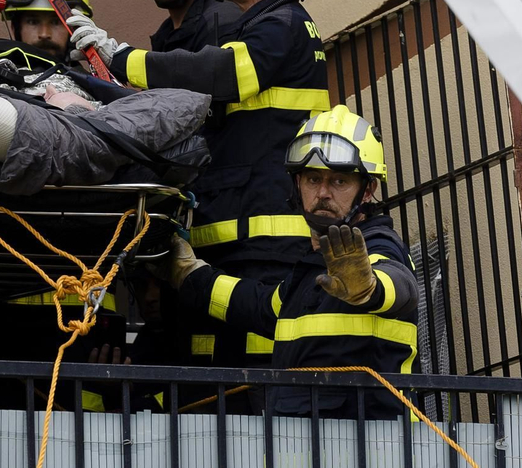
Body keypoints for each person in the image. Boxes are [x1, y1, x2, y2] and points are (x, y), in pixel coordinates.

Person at [69, 0, 330, 369]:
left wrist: (122, 58)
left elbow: (220, 74)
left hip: (267, 247)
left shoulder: (285, 24)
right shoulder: (263, 23)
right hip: (235, 242)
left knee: (252, 379)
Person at [166, 107, 418, 419]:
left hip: (372, 443)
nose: (323, 193)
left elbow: (400, 284)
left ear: (368, 190)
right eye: (313, 178)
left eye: (339, 181)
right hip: (304, 441)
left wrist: (368, 288)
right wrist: (190, 274)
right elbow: (262, 306)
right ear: (296, 184)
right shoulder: (310, 269)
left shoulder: (376, 245)